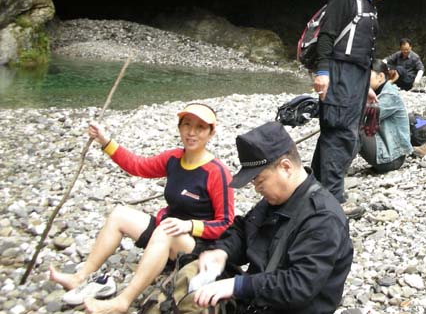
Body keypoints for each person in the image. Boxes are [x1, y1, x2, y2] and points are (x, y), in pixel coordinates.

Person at [49, 103, 234, 314]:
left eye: (200, 127)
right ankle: (79, 277)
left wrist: (189, 225)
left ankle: (123, 301)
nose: (191, 132)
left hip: (197, 248)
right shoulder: (174, 158)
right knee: (120, 214)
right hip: (166, 232)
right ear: (179, 127)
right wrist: (105, 141)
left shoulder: (217, 172)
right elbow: (137, 166)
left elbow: (226, 223)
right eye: (186, 125)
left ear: (211, 132)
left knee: (166, 229)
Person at [188, 122, 353, 314]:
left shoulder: (323, 218)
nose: (257, 189)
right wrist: (222, 252)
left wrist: (236, 286)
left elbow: (299, 285)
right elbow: (243, 229)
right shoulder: (276, 199)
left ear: (285, 167)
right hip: (258, 301)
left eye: (259, 181)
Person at [312, 0, 404, 205]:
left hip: (357, 77)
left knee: (343, 133)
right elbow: (326, 36)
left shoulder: (370, 4)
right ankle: (331, 199)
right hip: (340, 73)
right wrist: (322, 72)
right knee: (339, 133)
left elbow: (364, 52)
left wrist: (366, 88)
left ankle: (317, 191)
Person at [358, 60, 413, 172]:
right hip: (385, 152)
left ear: (381, 76)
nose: (362, 80)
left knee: (353, 126)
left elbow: (362, 117)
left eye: (366, 75)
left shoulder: (390, 96)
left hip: (392, 159)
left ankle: (337, 168)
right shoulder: (379, 92)